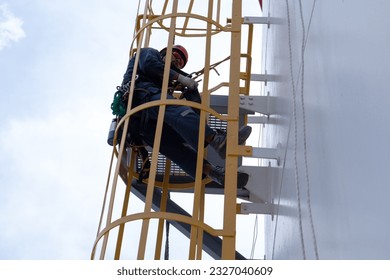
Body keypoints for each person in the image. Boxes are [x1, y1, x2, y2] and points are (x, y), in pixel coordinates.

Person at [119, 45, 251, 188]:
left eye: (180, 63)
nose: (176, 62)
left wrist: (191, 93)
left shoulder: (165, 83)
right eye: (175, 57)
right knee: (178, 111)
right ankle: (217, 141)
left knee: (178, 146)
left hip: (143, 125)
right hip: (140, 98)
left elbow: (193, 118)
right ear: (165, 52)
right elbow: (150, 65)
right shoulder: (150, 53)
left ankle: (215, 173)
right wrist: (180, 77)